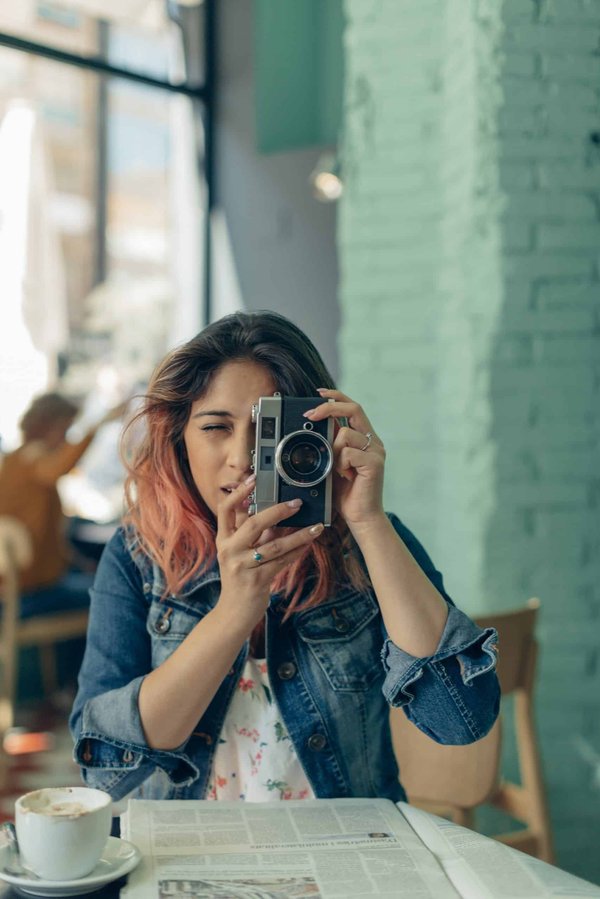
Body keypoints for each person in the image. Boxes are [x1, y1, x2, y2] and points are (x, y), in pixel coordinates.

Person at [70, 311, 499, 802]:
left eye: (268, 430)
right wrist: (234, 613)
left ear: (317, 436)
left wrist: (367, 521)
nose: (243, 457)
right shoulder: (141, 555)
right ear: (178, 437)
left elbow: (460, 719)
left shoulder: (365, 545)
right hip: (185, 860)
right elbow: (103, 769)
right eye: (216, 427)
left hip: (346, 857)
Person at [0, 392, 125, 618]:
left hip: (19, 590)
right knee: (117, 595)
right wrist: (98, 426)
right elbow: (59, 468)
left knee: (98, 583)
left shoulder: (12, 462)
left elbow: (42, 539)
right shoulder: (32, 457)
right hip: (28, 595)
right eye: (65, 430)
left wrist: (78, 562)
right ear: (49, 426)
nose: (66, 440)